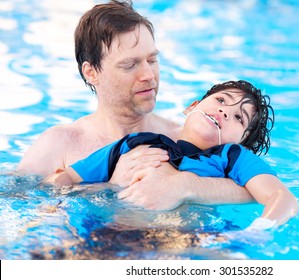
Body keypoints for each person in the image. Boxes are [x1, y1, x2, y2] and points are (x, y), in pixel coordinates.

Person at [16, 0, 254, 210]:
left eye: (152, 59)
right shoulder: (61, 144)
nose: (149, 75)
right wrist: (110, 188)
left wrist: (188, 185)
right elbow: (17, 202)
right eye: (130, 65)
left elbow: (263, 191)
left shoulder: (191, 139)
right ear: (91, 73)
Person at [46, 80, 299, 228]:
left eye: (238, 118)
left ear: (242, 141)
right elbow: (65, 179)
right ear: (192, 107)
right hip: (114, 229)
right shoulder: (136, 143)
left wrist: (255, 234)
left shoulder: (232, 157)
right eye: (221, 101)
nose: (224, 112)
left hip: (189, 242)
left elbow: (283, 199)